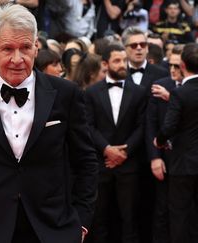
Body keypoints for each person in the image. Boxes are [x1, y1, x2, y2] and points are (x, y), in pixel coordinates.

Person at [0, 4, 99, 243]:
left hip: (52, 228)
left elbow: (86, 162)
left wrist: (82, 222)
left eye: (25, 47)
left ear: (36, 47)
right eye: (7, 49)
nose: (17, 59)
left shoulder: (66, 93)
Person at [84, 43, 147, 243]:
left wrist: (123, 153)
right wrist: (107, 149)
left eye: (124, 61)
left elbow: (141, 127)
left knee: (129, 219)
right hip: (101, 166)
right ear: (105, 63)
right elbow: (89, 126)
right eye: (117, 61)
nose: (122, 65)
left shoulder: (139, 92)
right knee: (100, 219)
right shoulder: (92, 93)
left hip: (129, 166)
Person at [155, 43, 198, 243]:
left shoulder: (180, 93)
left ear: (181, 65)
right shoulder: (179, 93)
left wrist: (159, 141)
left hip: (183, 164)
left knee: (179, 213)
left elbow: (169, 127)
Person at [146, 45, 184, 243]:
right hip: (164, 158)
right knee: (161, 210)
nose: (173, 70)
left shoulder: (191, 90)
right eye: (170, 65)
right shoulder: (160, 84)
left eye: (177, 66)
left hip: (187, 161)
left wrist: (171, 98)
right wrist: (154, 157)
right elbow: (150, 125)